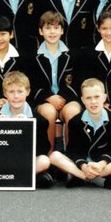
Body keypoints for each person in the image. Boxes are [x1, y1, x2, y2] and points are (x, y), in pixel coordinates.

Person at [49, 78, 111, 189]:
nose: (93, 102)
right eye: (88, 98)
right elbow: (73, 151)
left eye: (97, 97)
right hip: (83, 165)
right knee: (54, 156)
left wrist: (102, 164)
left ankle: (84, 178)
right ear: (83, 100)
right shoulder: (75, 121)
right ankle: (94, 179)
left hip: (104, 165)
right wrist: (83, 166)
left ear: (104, 97)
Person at [0, 71, 54, 187]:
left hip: (24, 162)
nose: (16, 96)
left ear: (28, 92)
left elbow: (43, 149)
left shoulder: (40, 120)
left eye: (20, 91)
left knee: (44, 161)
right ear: (5, 93)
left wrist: (26, 129)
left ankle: (10, 177)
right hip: (1, 161)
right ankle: (26, 177)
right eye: (11, 92)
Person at [29, 11, 81, 152]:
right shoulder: (33, 57)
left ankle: (73, 158)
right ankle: (48, 156)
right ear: (40, 31)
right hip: (44, 100)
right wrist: (48, 97)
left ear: (62, 30)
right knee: (49, 112)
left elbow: (77, 83)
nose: (52, 32)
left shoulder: (72, 55)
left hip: (67, 99)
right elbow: (31, 85)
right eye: (47, 28)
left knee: (73, 111)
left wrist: (63, 98)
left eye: (56, 28)